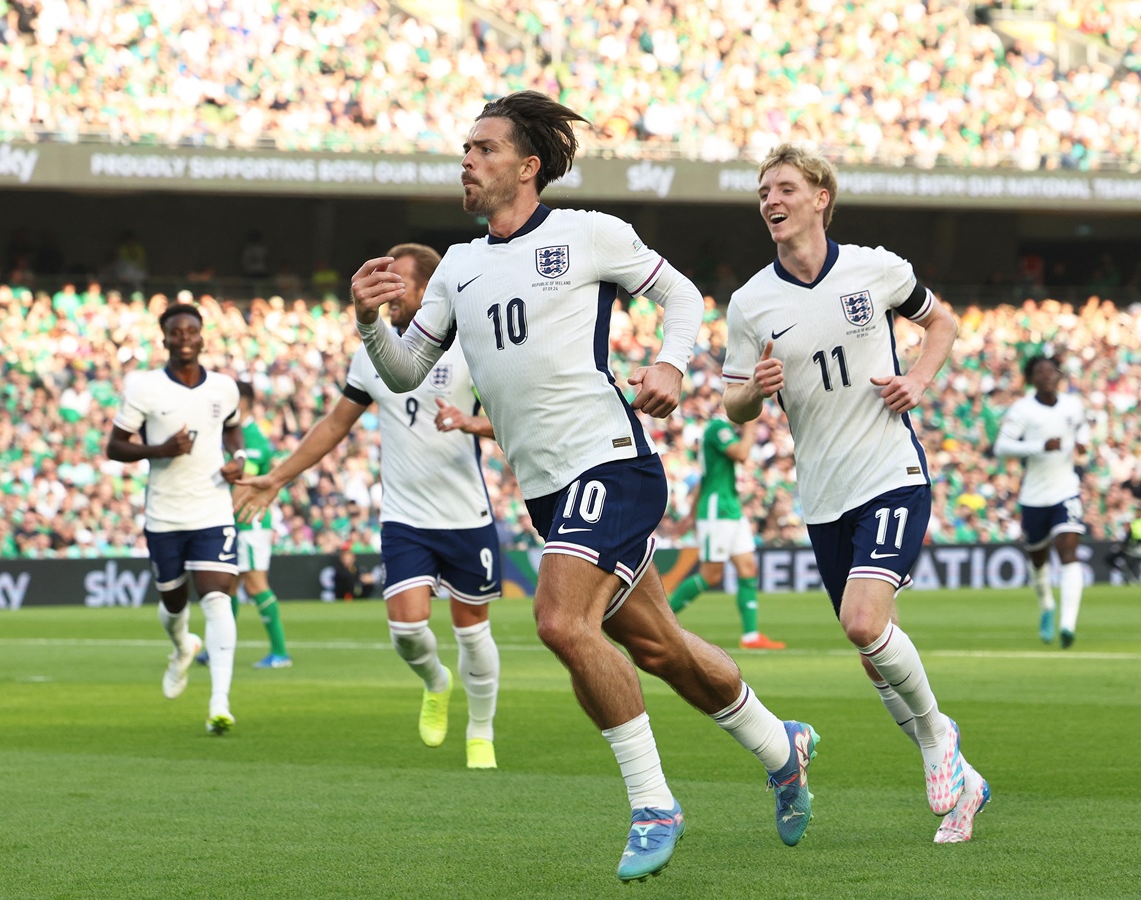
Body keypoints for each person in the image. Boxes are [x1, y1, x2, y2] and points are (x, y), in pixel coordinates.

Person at [347, 91, 818, 882]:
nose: (467, 159)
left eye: (484, 148)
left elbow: (681, 295)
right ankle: (782, 747)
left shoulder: (588, 234)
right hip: (547, 492)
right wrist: (369, 323)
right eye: (466, 148)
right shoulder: (457, 267)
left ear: (527, 168)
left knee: (562, 622)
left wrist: (669, 362)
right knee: (661, 648)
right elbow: (404, 372)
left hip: (609, 462)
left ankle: (653, 804)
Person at [721, 143, 988, 844]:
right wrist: (755, 389)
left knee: (865, 624)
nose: (769, 200)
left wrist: (920, 382)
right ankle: (969, 784)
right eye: (761, 192)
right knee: (872, 652)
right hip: (823, 495)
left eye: (782, 187)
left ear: (819, 197)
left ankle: (939, 736)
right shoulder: (751, 303)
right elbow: (732, 408)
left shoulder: (877, 268)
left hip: (889, 472)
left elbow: (944, 323)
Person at [234, 242, 504, 771]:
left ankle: (480, 731)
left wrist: (472, 423)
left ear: (428, 289)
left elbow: (514, 420)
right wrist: (278, 478)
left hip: (466, 515)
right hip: (405, 518)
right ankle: (435, 682)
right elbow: (336, 424)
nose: (387, 292)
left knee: (473, 633)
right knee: (406, 632)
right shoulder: (371, 351)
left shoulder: (469, 351)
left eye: (397, 281)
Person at [105, 303, 243, 735]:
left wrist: (238, 458)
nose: (184, 337)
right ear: (164, 339)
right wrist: (159, 450)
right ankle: (183, 645)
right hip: (165, 513)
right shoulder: (145, 388)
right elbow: (114, 447)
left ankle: (220, 701)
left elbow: (234, 428)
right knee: (173, 603)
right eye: (175, 331)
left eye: (191, 331)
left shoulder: (224, 387)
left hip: (214, 508)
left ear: (203, 338)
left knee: (218, 597)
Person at [993, 355, 1091, 646]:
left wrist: (1084, 442)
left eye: (1051, 371)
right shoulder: (1022, 409)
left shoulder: (1073, 405)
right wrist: (1039, 446)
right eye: (1040, 372)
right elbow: (1001, 446)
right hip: (1034, 496)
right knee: (1038, 561)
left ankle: (1068, 625)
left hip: (1066, 490)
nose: (1047, 375)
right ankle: (1047, 605)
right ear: (1031, 378)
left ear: (1060, 375)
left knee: (1069, 552)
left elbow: (1083, 428)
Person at [669, 410, 786, 649]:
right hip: (717, 510)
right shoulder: (718, 428)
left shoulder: (722, 431)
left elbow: (705, 477)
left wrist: (691, 514)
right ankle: (659, 622)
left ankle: (751, 636)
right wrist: (752, 422)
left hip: (730, 507)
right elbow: (742, 454)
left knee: (748, 568)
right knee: (711, 575)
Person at [222, 380, 293, 667]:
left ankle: (280, 652)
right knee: (228, 586)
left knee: (254, 584)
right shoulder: (237, 435)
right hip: (240, 521)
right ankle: (221, 646)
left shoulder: (252, 439)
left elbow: (244, 484)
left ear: (243, 404)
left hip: (248, 521)